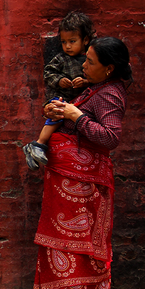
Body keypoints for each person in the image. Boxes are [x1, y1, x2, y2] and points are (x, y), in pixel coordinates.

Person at [32, 37, 132, 289]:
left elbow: (110, 137)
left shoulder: (110, 95)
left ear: (109, 68)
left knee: (70, 243)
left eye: (90, 61)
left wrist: (78, 116)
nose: (84, 64)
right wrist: (64, 111)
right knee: (92, 245)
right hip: (79, 180)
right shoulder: (96, 90)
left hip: (80, 184)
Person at [23, 11, 95, 170]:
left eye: (72, 41)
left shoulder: (91, 59)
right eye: (64, 42)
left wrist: (85, 81)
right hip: (60, 97)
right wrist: (60, 81)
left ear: (85, 40)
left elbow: (98, 80)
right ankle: (39, 144)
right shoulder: (61, 59)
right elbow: (48, 73)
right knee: (57, 113)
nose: (67, 46)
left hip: (79, 102)